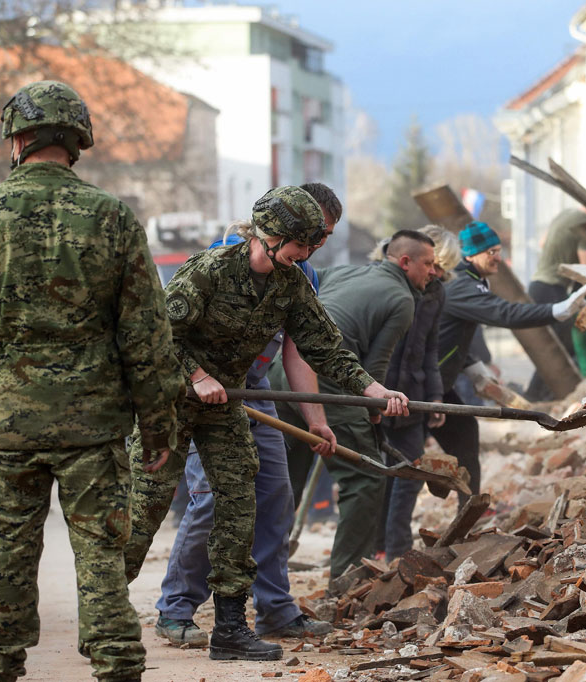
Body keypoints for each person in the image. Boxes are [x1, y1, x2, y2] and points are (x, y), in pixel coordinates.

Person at [124, 185, 409, 662]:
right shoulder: (210, 270)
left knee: (240, 506)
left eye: (312, 247)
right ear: (270, 236)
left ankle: (230, 629)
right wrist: (197, 375)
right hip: (170, 403)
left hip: (227, 405)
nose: (305, 255)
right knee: (145, 510)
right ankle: (105, 612)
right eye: (299, 245)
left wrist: (371, 389)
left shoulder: (291, 283)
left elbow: (322, 346)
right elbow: (155, 334)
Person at [0, 80, 183, 682]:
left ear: (17, 139)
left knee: (8, 553)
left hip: (7, 426)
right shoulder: (113, 217)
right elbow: (146, 334)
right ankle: (117, 665)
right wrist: (158, 425)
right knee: (101, 555)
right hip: (94, 426)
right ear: (76, 142)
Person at [154, 183, 344, 648]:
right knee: (212, 500)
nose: (314, 246)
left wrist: (315, 418)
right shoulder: (223, 260)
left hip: (253, 390)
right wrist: (199, 377)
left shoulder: (301, 274)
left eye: (323, 237)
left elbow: (298, 353)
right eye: (310, 235)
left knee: (275, 498)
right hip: (202, 393)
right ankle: (175, 609)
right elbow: (166, 334)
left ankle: (276, 610)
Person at [272, 230, 436, 583]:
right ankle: (348, 581)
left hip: (280, 371)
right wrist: (374, 411)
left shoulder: (347, 271)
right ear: (405, 262)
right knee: (365, 478)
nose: (433, 272)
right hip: (328, 380)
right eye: (428, 264)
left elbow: (310, 287)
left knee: (285, 482)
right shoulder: (402, 300)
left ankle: (265, 577)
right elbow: (375, 367)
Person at [433, 221, 586, 504]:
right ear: (470, 254)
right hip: (422, 382)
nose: (498, 257)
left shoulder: (469, 279)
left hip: (437, 381)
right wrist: (556, 311)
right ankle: (393, 533)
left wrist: (473, 368)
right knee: (405, 459)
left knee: (465, 437)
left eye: (499, 250)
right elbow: (504, 313)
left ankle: (470, 510)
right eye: (491, 252)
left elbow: (451, 334)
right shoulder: (461, 284)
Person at [376, 226, 461, 561]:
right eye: (431, 265)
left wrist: (435, 396)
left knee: (410, 472)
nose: (435, 273)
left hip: (410, 398)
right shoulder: (382, 284)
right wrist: (370, 393)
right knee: (376, 476)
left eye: (440, 267)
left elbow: (429, 348)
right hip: (374, 394)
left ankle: (398, 552)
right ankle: (372, 548)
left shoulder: (435, 293)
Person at [525, 185, 586, 400]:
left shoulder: (565, 214)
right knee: (561, 349)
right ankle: (539, 396)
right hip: (552, 288)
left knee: (551, 347)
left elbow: (543, 242)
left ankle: (536, 395)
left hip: (538, 285)